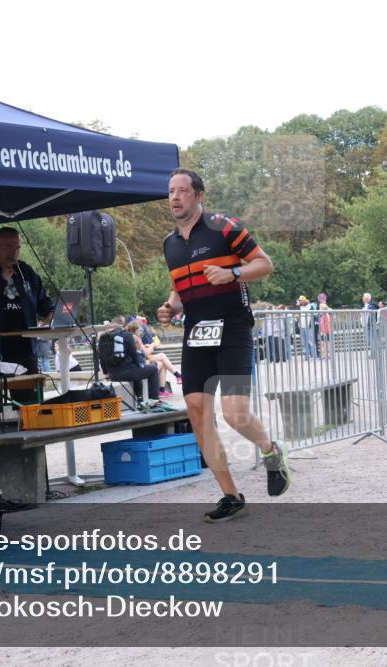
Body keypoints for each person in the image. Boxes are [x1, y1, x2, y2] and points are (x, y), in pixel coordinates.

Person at [157, 168, 289, 523]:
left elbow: (265, 264)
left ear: (199, 195)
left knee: (234, 413)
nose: (174, 197)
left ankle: (270, 451)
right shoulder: (170, 243)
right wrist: (171, 307)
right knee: (199, 415)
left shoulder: (224, 227)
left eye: (182, 191)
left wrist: (233, 273)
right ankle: (231, 496)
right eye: (170, 191)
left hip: (232, 328)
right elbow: (180, 288)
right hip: (196, 332)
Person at [0, 227, 54, 403]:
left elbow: (42, 301)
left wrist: (50, 312)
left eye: (17, 247)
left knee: (30, 404)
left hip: (26, 347)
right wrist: (1, 279)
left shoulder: (25, 271)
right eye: (8, 246)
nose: (14, 252)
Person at [100, 317, 162, 405]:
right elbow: (134, 354)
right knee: (153, 369)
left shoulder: (103, 337)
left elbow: (101, 357)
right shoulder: (127, 335)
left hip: (113, 374)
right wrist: (140, 364)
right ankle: (154, 401)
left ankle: (140, 399)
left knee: (137, 371)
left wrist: (107, 373)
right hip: (126, 373)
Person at [296, 295, 318, 360]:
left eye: (300, 301)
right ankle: (306, 356)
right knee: (304, 342)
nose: (299, 302)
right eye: (299, 301)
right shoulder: (300, 307)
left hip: (308, 326)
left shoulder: (310, 307)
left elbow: (313, 317)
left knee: (311, 341)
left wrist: (310, 325)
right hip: (302, 326)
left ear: (303, 301)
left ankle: (314, 356)